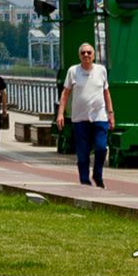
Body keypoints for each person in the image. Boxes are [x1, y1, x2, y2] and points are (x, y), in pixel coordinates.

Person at [56, 42, 112, 187]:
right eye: (83, 53)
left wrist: (110, 113)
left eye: (89, 53)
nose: (86, 55)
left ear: (93, 55)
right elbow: (65, 93)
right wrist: (60, 113)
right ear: (79, 56)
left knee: (101, 148)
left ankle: (97, 175)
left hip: (99, 117)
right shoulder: (73, 71)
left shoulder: (101, 70)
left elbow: (106, 92)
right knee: (83, 154)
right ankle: (85, 181)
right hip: (79, 119)